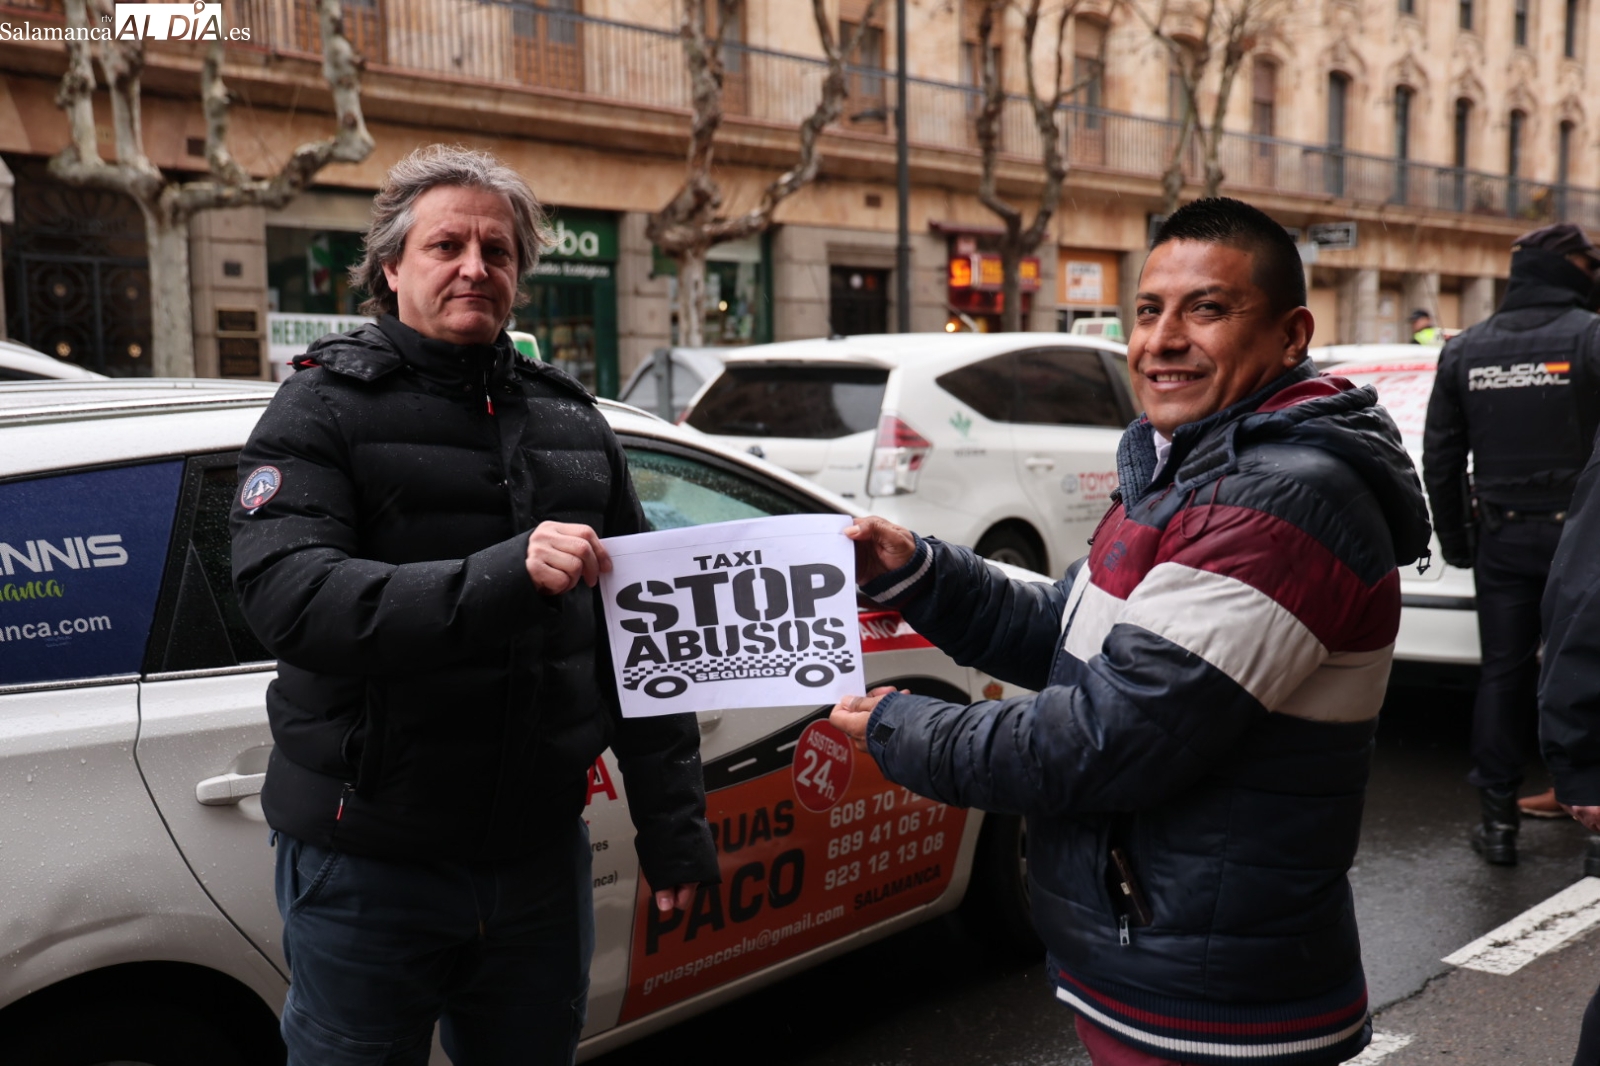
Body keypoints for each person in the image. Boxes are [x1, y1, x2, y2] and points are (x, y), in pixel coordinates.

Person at [831, 197, 1431, 1066]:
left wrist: (900, 726)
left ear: (1291, 335)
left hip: (1216, 1006)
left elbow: (1106, 738)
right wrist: (918, 572)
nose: (1163, 340)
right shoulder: (1192, 468)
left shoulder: (1282, 501)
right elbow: (1068, 631)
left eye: (1207, 309)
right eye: (1148, 311)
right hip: (1160, 962)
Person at [230, 145, 718, 1066]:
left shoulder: (575, 423)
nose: (474, 268)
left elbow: (644, 644)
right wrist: (504, 575)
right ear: (390, 267)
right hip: (367, 865)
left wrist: (675, 832)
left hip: (540, 862)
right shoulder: (318, 409)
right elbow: (291, 600)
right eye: (446, 245)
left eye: (498, 251)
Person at [1422, 222, 1600, 862]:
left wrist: (1457, 541)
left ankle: (1498, 823)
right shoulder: (1591, 337)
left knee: (1502, 674)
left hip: (1502, 538)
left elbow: (1441, 458)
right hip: (1583, 542)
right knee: (1587, 664)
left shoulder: (1466, 349)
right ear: (1571, 269)